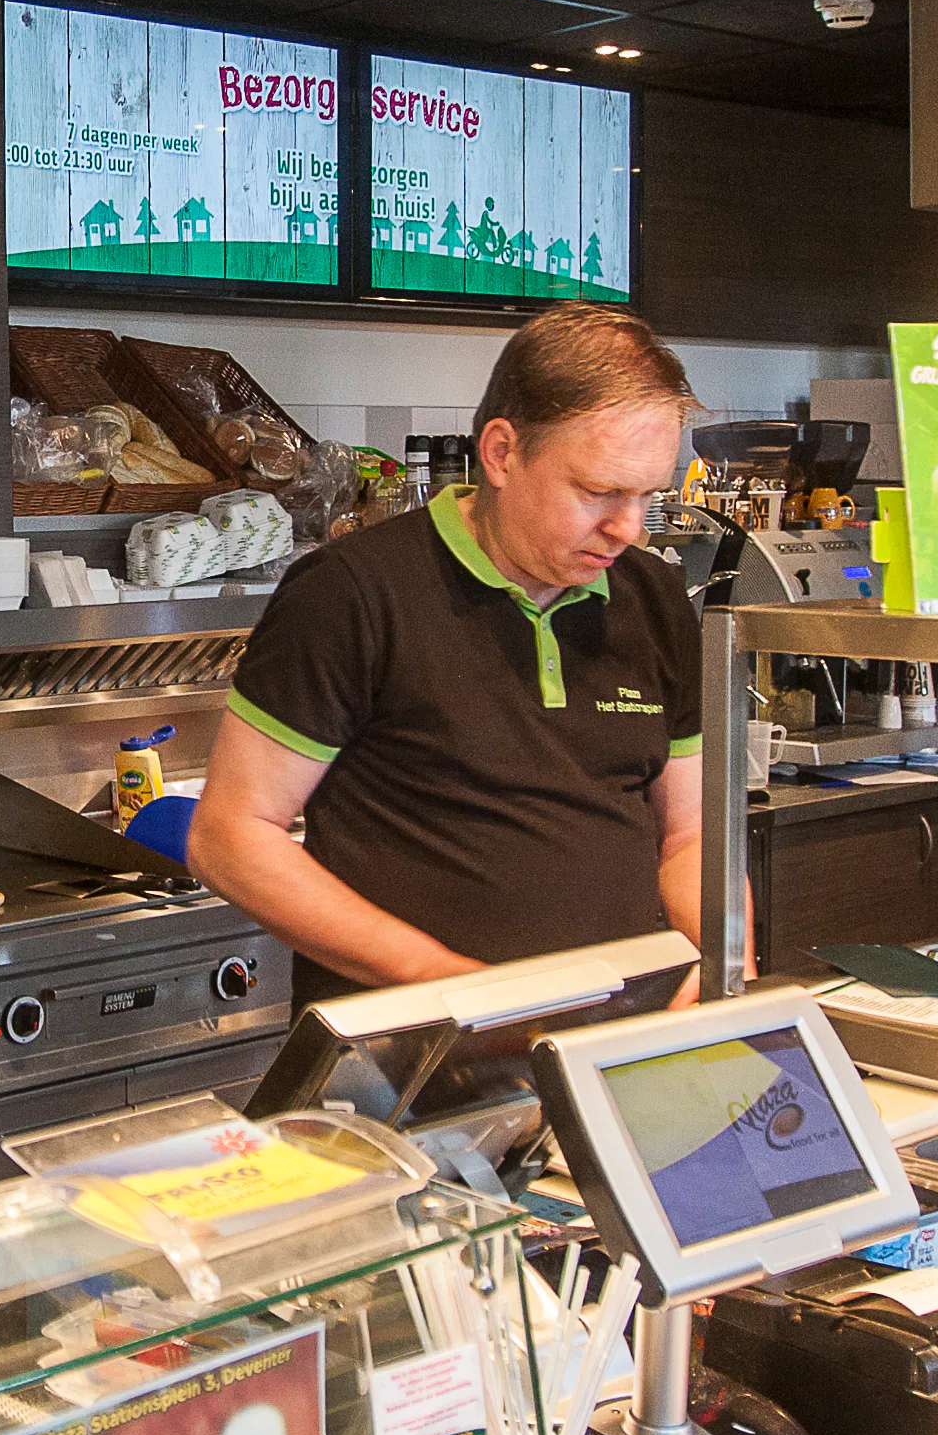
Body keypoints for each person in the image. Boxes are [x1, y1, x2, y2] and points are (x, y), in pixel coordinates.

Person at [190, 304, 739, 1004]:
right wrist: (455, 989)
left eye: (646, 495)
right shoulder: (353, 593)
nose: (626, 529)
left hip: (615, 1044)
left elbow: (689, 837)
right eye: (598, 492)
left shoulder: (652, 597)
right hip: (411, 1059)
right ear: (502, 452)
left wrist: (723, 963)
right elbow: (230, 837)